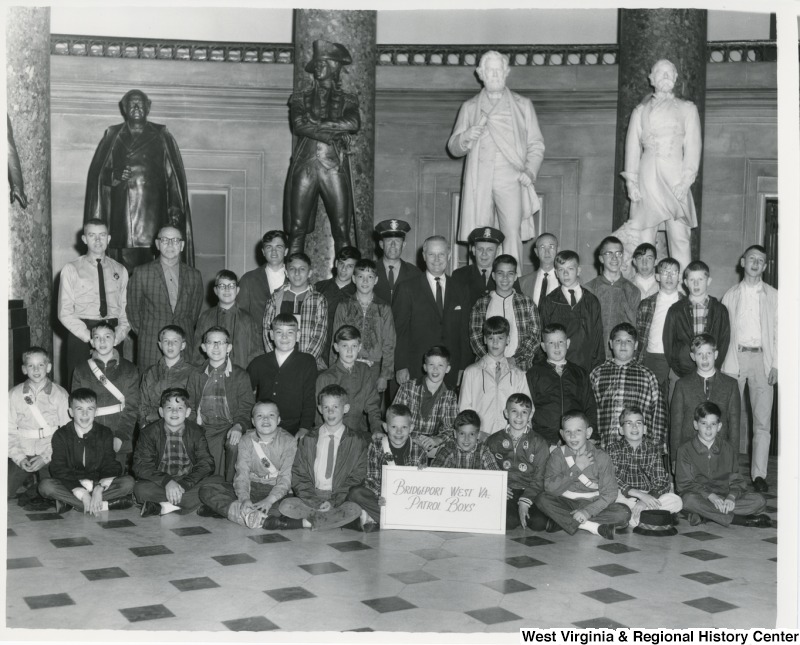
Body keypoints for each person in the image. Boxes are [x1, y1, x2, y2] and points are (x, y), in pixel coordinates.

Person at [448, 50, 545, 265]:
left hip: (510, 177)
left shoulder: (522, 105)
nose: (494, 74)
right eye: (489, 70)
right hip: (479, 179)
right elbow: (453, 147)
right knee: (481, 235)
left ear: (506, 72)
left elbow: (536, 144)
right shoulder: (470, 107)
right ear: (480, 73)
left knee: (511, 233)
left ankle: (512, 287)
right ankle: (479, 286)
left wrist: (530, 170)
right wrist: (465, 136)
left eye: (498, 70)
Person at [84, 89, 193, 269]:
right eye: (131, 104)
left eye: (140, 103)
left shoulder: (161, 135)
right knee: (121, 274)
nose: (136, 107)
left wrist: (174, 213)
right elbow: (97, 176)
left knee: (153, 274)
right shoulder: (113, 135)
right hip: (122, 220)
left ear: (148, 107)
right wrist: (114, 175)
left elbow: (173, 178)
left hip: (153, 218)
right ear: (124, 108)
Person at [622, 59, 701, 276]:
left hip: (676, 180)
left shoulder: (688, 109)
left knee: (680, 238)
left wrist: (686, 181)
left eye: (669, 73)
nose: (665, 76)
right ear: (651, 79)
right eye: (660, 73)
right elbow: (632, 148)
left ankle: (685, 295)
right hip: (647, 179)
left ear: (675, 78)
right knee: (644, 238)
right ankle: (642, 289)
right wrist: (631, 181)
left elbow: (693, 148)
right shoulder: (640, 111)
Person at [285, 40, 359, 254]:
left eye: (323, 62)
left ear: (334, 66)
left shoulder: (348, 99)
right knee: (296, 228)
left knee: (342, 229)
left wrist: (317, 124)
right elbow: (299, 125)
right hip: (305, 166)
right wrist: (333, 133)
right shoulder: (300, 98)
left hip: (333, 166)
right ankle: (293, 279)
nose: (318, 66)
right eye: (316, 63)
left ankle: (346, 284)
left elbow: (354, 124)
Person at [721, 245, 778, 492]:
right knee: (729, 418)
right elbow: (723, 335)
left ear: (765, 266)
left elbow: (782, 333)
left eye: (761, 260)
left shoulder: (775, 296)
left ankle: (759, 475)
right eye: (751, 258)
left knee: (762, 421)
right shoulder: (730, 295)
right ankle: (728, 472)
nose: (755, 263)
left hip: (762, 361)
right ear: (742, 262)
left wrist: (777, 364)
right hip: (734, 359)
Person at [278, 385, 366, 531]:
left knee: (354, 508)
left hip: (340, 496)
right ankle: (340, 522)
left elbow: (357, 476)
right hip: (312, 494)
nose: (330, 412)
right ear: (319, 409)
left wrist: (334, 500)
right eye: (326, 407)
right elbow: (299, 474)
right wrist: (314, 501)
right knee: (286, 505)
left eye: (335, 407)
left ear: (346, 408)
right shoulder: (309, 438)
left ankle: (304, 523)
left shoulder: (357, 441)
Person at [198, 401, 297, 530]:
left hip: (275, 490)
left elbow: (286, 478)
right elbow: (242, 474)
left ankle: (232, 511)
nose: (265, 419)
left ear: (278, 420)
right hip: (252, 486)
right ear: (253, 421)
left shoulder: (289, 442)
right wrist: (244, 499)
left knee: (288, 507)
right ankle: (255, 517)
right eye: (260, 416)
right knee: (207, 490)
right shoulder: (246, 440)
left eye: (271, 415)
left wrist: (269, 500)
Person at [535, 411, 631, 540]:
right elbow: (550, 489)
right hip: (566, 502)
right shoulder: (557, 455)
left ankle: (562, 521)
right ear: (562, 434)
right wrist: (577, 468)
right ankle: (592, 527)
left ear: (588, 432)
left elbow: (610, 493)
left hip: (593, 502)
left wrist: (587, 511)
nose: (573, 436)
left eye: (578, 431)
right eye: (568, 432)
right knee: (542, 499)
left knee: (623, 513)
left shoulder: (601, 457)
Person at [38, 388, 135, 515]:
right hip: (71, 483)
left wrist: (99, 489)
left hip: (97, 483)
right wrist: (81, 492)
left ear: (96, 411)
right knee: (46, 486)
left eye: (90, 409)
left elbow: (110, 465)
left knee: (128, 483)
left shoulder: (105, 433)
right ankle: (103, 504)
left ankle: (74, 504)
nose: (85, 414)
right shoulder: (61, 435)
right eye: (79, 409)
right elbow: (58, 468)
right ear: (71, 412)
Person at [675, 402, 770, 529]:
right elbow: (684, 485)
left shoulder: (728, 449)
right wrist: (711, 496)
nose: (708, 428)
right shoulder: (684, 450)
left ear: (719, 426)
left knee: (759, 501)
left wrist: (731, 497)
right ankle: (740, 520)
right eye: (704, 423)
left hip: (724, 497)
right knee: (687, 500)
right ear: (695, 425)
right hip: (700, 496)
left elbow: (737, 481)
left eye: (713, 424)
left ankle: (705, 515)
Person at [393, 235, 471, 389]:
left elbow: (464, 332)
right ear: (423, 256)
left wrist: (463, 367)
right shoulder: (407, 288)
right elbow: (399, 331)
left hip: (451, 370)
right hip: (416, 369)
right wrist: (401, 365)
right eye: (431, 254)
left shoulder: (461, 289)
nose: (436, 259)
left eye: (441, 254)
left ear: (448, 255)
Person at [58, 218, 130, 383]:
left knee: (113, 384)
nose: (98, 240)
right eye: (92, 235)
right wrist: (89, 337)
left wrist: (117, 336)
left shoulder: (120, 269)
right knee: (79, 385)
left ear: (108, 238)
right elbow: (65, 312)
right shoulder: (71, 269)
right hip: (81, 334)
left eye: (102, 235)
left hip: (112, 333)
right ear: (84, 239)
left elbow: (126, 310)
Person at [133, 387, 221, 517]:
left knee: (218, 482)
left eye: (180, 408)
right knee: (140, 489)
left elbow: (206, 463)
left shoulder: (196, 432)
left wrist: (184, 484)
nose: (174, 412)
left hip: (188, 481)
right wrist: (167, 482)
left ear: (187, 412)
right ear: (161, 412)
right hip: (161, 482)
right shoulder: (149, 433)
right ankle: (192, 503)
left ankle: (165, 506)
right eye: (169, 408)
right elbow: (141, 465)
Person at [126, 225, 203, 370]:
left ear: (182, 245)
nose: (170, 244)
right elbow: (133, 312)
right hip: (151, 342)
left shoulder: (194, 275)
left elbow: (194, 313)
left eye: (175, 240)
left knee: (183, 389)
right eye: (165, 240)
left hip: (183, 343)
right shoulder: (141, 273)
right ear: (157, 244)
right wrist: (147, 332)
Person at [187, 326, 255, 482]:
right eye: (211, 342)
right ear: (204, 347)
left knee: (233, 445)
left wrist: (239, 426)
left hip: (228, 427)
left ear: (229, 347)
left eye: (221, 342)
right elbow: (189, 406)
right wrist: (190, 429)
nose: (216, 347)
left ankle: (229, 486)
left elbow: (247, 408)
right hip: (203, 428)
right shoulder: (196, 374)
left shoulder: (240, 375)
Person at [347, 403, 427, 532]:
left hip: (407, 502)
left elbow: (421, 488)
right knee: (355, 494)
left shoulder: (419, 452)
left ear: (411, 428)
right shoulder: (377, 446)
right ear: (385, 427)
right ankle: (399, 522)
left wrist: (423, 474)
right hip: (382, 499)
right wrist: (380, 497)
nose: (399, 432)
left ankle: (381, 519)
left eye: (404, 427)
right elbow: (372, 479)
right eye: (394, 426)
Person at [71, 322, 140, 473]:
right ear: (92, 342)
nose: (102, 342)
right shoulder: (81, 370)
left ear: (116, 340)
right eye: (97, 337)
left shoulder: (129, 369)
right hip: (89, 432)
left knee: (114, 480)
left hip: (118, 432)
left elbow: (132, 406)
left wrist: (120, 436)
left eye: (107, 337)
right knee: (88, 479)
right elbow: (78, 407)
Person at [8, 347, 70, 510]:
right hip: (23, 448)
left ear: (48, 367)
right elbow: (8, 430)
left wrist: (46, 456)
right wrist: (19, 458)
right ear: (23, 369)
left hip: (49, 449)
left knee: (51, 490)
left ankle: (34, 490)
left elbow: (66, 433)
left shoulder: (60, 395)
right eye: (31, 366)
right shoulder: (13, 395)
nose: (36, 370)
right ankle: (29, 483)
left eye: (40, 365)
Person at [590, 323, 667, 452]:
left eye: (628, 341)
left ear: (636, 345)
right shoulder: (597, 374)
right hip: (604, 446)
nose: (623, 345)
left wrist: (657, 445)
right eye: (618, 340)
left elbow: (658, 413)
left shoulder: (647, 375)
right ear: (610, 343)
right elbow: (589, 410)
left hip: (638, 448)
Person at [606, 407, 682, 528]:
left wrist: (645, 499)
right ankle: (647, 516)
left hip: (648, 496)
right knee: (611, 498)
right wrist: (638, 495)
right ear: (621, 430)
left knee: (676, 501)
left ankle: (637, 516)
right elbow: (613, 478)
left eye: (638, 423)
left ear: (645, 428)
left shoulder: (652, 449)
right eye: (629, 423)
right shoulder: (613, 449)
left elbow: (661, 481)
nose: (634, 427)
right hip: (624, 495)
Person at [671, 334, 741, 462]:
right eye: (699, 354)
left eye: (708, 353)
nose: (704, 359)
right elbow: (676, 425)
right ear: (693, 356)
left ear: (716, 354)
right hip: (689, 454)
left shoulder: (731, 385)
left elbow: (735, 426)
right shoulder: (682, 385)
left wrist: (734, 459)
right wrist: (675, 459)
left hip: (720, 454)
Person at [526, 323, 597, 447]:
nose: (557, 347)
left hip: (575, 438)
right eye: (551, 343)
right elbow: (528, 408)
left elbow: (589, 406)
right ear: (543, 346)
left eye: (561, 342)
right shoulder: (533, 374)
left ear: (568, 343)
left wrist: (592, 435)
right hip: (544, 439)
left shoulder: (580, 373)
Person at [486, 393, 549, 531]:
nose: (519, 417)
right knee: (508, 522)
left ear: (530, 415)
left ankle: (524, 509)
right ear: (506, 413)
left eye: (524, 412)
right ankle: (513, 514)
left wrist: (525, 501)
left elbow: (541, 476)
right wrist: (498, 487)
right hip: (506, 491)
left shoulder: (539, 442)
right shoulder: (494, 440)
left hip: (531, 490)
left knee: (539, 523)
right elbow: (486, 468)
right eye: (514, 411)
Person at [331, 259, 396, 395]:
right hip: (347, 365)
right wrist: (333, 371)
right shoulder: (344, 305)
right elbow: (335, 340)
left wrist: (384, 375)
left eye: (370, 277)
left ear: (376, 280)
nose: (365, 281)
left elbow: (389, 343)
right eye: (361, 277)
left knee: (372, 409)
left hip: (374, 367)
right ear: (354, 279)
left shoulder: (383, 308)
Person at [248, 314, 318, 438]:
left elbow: (309, 398)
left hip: (294, 427)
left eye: (290, 332)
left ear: (298, 335)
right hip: (264, 426)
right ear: (271, 335)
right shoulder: (259, 362)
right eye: (279, 332)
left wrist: (304, 427)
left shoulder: (307, 362)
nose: (284, 337)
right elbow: (244, 394)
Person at [460, 316, 531, 438]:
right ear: (484, 339)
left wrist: (516, 435)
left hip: (510, 440)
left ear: (508, 340)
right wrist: (477, 434)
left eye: (500, 338)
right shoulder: (471, 372)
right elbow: (464, 410)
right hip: (479, 439)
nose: (495, 342)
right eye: (491, 338)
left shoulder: (518, 374)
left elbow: (528, 410)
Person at [469, 254, 541, 371]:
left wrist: (515, 359)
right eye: (500, 273)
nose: (505, 278)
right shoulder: (481, 304)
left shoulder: (527, 303)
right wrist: (492, 360)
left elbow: (534, 337)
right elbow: (476, 337)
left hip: (520, 368)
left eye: (510, 274)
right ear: (493, 275)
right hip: (487, 368)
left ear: (516, 276)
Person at [539, 250, 604, 374]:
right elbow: (543, 337)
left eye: (570, 268)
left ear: (578, 270)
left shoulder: (591, 301)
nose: (566, 273)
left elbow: (598, 339)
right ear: (556, 273)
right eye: (561, 269)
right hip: (557, 368)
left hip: (586, 367)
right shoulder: (550, 301)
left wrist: (597, 369)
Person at [663, 260, 730, 379]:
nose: (696, 284)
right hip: (681, 372)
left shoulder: (720, 310)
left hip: (710, 372)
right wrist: (677, 367)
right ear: (685, 283)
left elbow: (724, 342)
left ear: (708, 281)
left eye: (700, 280)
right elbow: (668, 342)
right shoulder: (675, 310)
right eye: (692, 280)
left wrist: (714, 366)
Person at [263, 252, 328, 370]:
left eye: (302, 269)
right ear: (286, 273)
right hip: (279, 364)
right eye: (292, 269)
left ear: (309, 273)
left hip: (308, 365)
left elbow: (319, 336)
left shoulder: (318, 299)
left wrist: (305, 362)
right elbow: (267, 330)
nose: (297, 273)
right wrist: (276, 359)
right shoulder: (276, 297)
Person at [316, 325, 382, 437]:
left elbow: (372, 405)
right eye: (345, 346)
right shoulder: (325, 378)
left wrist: (376, 429)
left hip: (359, 433)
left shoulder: (365, 371)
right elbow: (319, 416)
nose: (350, 351)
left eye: (354, 346)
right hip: (333, 434)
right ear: (336, 347)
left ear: (359, 347)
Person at [393, 345, 458, 454]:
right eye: (431, 364)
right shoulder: (407, 387)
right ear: (425, 367)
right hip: (406, 439)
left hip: (432, 445)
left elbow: (450, 428)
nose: (435, 369)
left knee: (452, 448)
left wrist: (437, 440)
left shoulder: (450, 396)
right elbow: (395, 419)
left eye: (440, 365)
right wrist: (414, 438)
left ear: (447, 369)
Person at [193, 270, 263, 369]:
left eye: (231, 286)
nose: (227, 289)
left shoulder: (247, 319)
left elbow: (256, 353)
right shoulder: (205, 317)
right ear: (216, 290)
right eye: (222, 286)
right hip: (211, 376)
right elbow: (197, 353)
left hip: (240, 376)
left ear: (237, 290)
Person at [635, 257, 683, 398]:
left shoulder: (686, 304)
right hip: (654, 357)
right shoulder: (646, 304)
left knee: (675, 402)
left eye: (674, 272)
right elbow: (640, 333)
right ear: (657, 276)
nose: (669, 277)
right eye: (665, 272)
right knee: (653, 400)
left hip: (678, 359)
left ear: (679, 277)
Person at [586, 236, 641, 359]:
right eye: (609, 253)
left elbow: (635, 328)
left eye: (618, 253)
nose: (614, 258)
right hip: (595, 355)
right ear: (601, 258)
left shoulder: (633, 290)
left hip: (623, 356)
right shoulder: (589, 288)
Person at [139, 325, 197, 428]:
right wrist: (144, 425)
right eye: (166, 341)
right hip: (153, 427)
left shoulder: (193, 373)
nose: (170, 345)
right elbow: (142, 404)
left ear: (183, 345)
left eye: (175, 341)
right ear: (160, 345)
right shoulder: (150, 372)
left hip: (182, 428)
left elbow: (195, 407)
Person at [452, 227, 520, 310]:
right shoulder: (459, 275)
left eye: (490, 250)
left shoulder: (507, 276)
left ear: (497, 251)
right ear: (473, 250)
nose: (484, 254)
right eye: (480, 249)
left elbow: (517, 304)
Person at [315, 245, 360, 359]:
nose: (344, 269)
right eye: (341, 264)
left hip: (348, 354)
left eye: (349, 266)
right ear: (336, 263)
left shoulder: (358, 293)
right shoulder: (319, 288)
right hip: (320, 351)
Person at [236, 230, 288, 319]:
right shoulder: (248, 279)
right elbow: (240, 315)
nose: (274, 251)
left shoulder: (296, 278)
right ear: (263, 252)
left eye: (278, 247)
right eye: (269, 247)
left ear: (286, 251)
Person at [373, 219, 422, 306]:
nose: (393, 245)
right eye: (388, 241)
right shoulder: (370, 270)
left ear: (403, 245)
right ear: (381, 244)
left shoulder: (414, 273)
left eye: (397, 241)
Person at [431, 410, 499, 471]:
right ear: (455, 434)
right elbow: (435, 473)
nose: (466, 439)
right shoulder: (447, 449)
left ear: (478, 435)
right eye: (462, 433)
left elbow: (496, 476)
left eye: (471, 434)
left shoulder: (484, 452)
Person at [519, 232, 559, 309]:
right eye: (542, 247)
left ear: (558, 250)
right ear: (536, 252)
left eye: (551, 247)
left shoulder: (567, 281)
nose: (547, 252)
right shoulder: (522, 282)